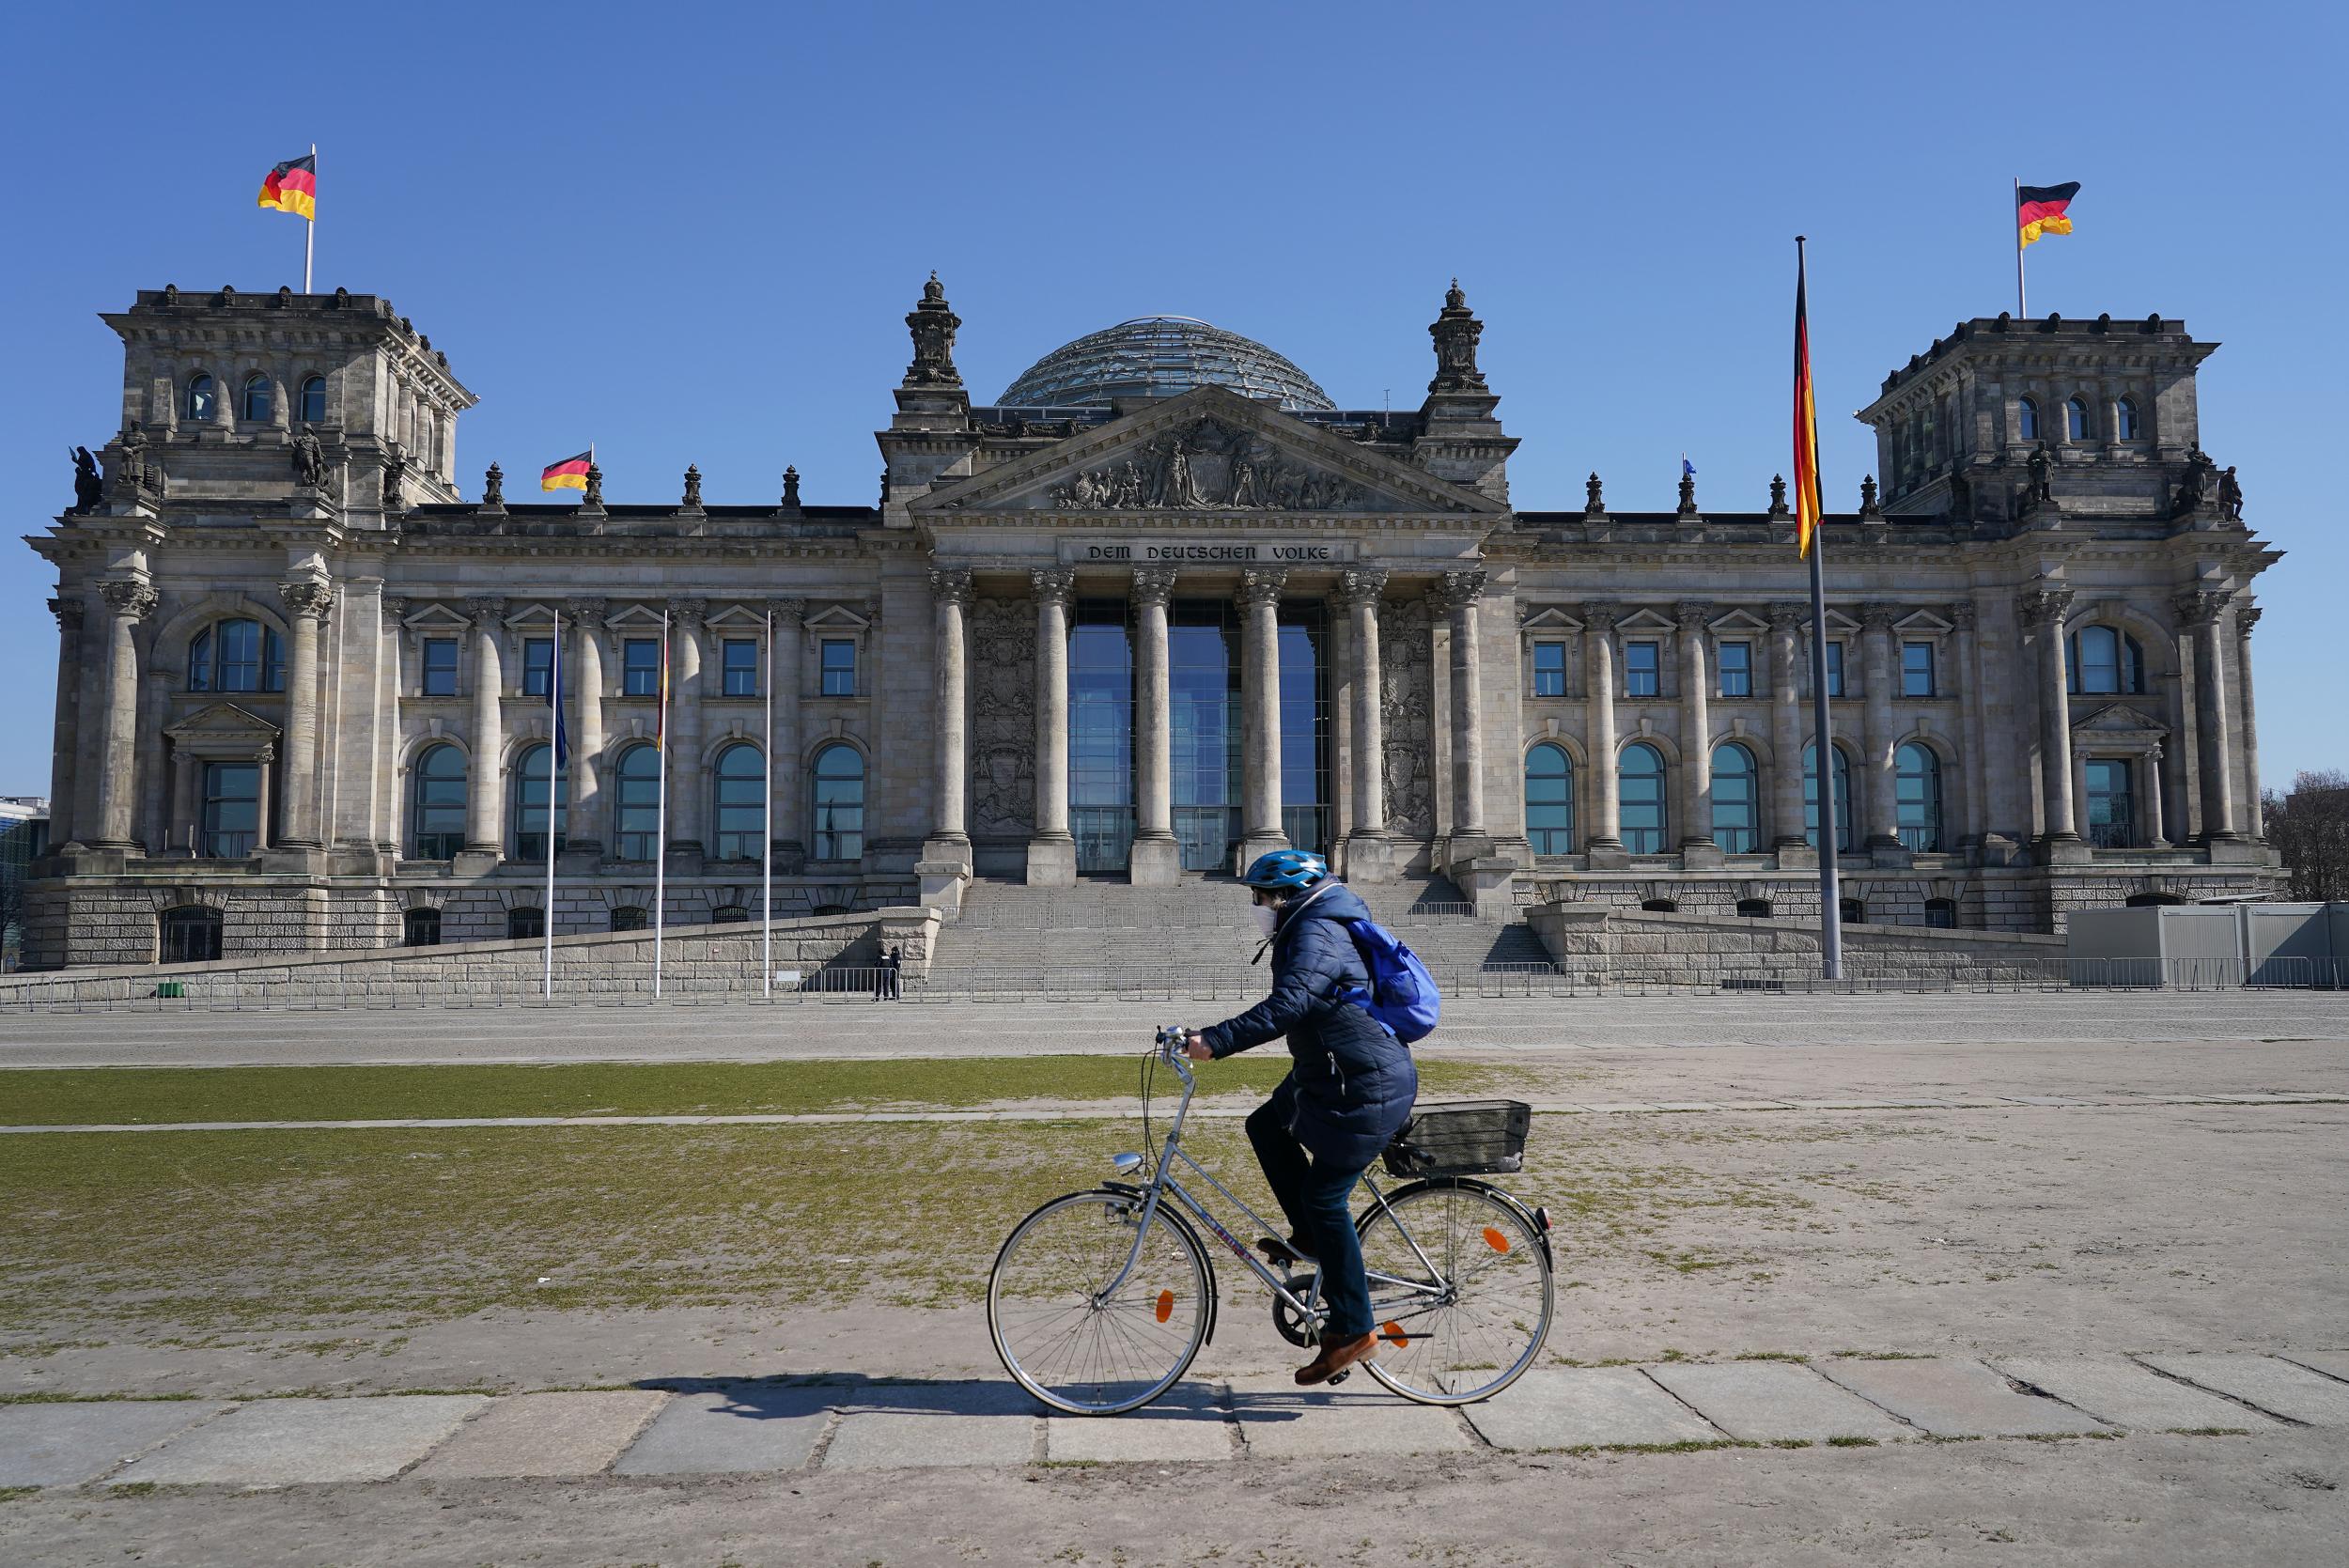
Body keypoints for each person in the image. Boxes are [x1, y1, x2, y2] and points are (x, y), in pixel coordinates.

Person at [1184, 849, 1418, 1387]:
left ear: (1286, 895)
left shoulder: (1316, 932)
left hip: (1364, 1083)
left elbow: (1290, 1003)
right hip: (1331, 1073)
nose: (1256, 906)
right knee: (1265, 1125)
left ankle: (1356, 1329)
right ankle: (1311, 1239)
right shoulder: (1308, 926)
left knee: (1325, 1195)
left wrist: (1215, 1040)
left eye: (1261, 897)